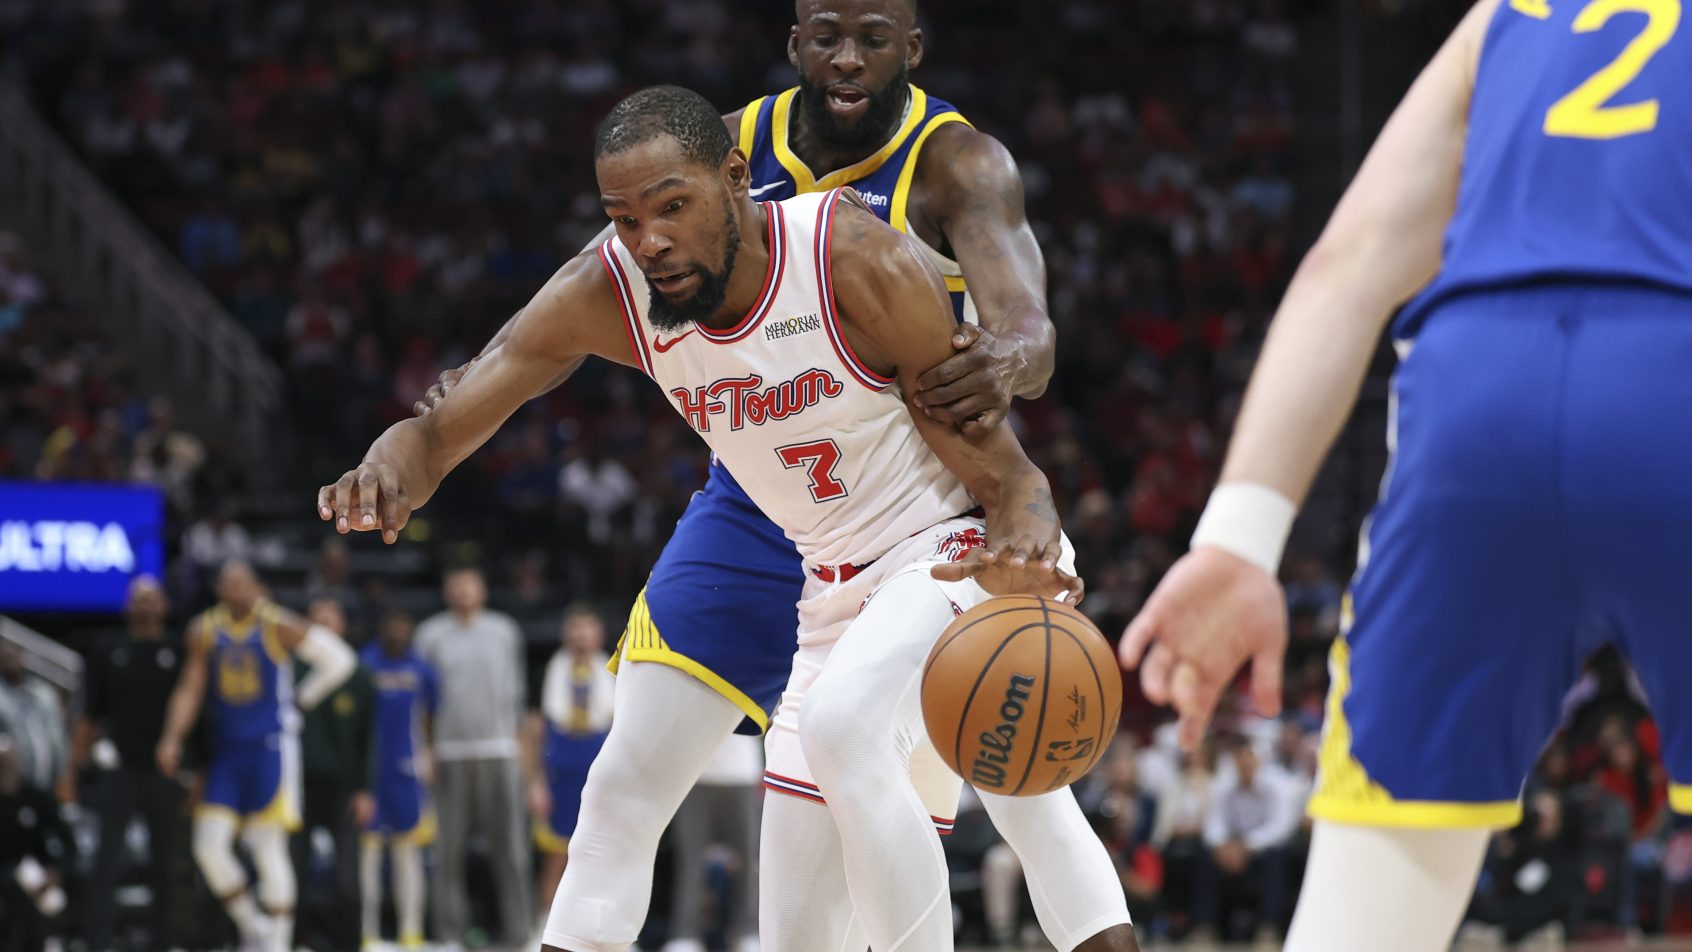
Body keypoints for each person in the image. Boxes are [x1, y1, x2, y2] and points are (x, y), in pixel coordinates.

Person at [318, 84, 1126, 952]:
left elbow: (1008, 476)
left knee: (880, 741)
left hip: (950, 551)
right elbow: (451, 417)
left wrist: (1024, 546)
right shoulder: (613, 288)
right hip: (828, 594)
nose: (650, 241)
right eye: (624, 219)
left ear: (736, 178)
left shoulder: (851, 254)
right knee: (800, 932)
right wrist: (397, 460)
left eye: (673, 208)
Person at [1116, 0, 1692, 948]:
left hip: (1477, 402)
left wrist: (1235, 540)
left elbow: (1349, 264)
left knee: (1363, 919)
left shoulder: (1507, 16)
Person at [155, 561, 358, 952]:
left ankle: (277, 944)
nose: (235, 589)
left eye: (242, 582)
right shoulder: (204, 630)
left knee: (268, 847)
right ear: (218, 589)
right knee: (208, 847)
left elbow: (340, 661)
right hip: (228, 753)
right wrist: (171, 738)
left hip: (271, 749)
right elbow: (189, 689)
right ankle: (253, 928)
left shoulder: (278, 624)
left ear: (258, 587)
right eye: (227, 582)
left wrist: (304, 699)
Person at [412, 566, 535, 950]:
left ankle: (521, 934)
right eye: (457, 585)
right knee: (447, 851)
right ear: (448, 591)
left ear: (482, 590)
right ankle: (450, 935)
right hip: (450, 753)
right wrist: (424, 751)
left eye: (471, 585)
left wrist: (526, 763)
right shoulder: (430, 634)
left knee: (512, 851)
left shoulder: (504, 631)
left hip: (500, 750)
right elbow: (420, 703)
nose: (464, 592)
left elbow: (517, 699)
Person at [74, 575, 187, 952]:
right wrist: (71, 770)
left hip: (164, 772)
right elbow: (89, 716)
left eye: (151, 598)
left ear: (164, 606)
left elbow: (194, 714)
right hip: (119, 769)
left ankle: (164, 941)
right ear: (127, 606)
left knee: (166, 864)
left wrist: (197, 770)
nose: (144, 605)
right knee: (105, 862)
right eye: (137, 599)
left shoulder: (177, 649)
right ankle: (98, 941)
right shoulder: (107, 648)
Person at [291, 599, 374, 952]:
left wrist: (365, 789)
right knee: (294, 871)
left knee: (346, 878)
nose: (324, 620)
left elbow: (369, 737)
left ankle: (348, 944)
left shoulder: (358, 674)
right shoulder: (291, 668)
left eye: (331, 614)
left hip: (342, 787)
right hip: (297, 785)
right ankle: (296, 940)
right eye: (316, 615)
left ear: (343, 625)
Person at [361, 611, 439, 951]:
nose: (396, 633)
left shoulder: (422, 670)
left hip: (408, 771)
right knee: (369, 857)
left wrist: (427, 755)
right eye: (390, 627)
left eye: (402, 628)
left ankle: (411, 933)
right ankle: (368, 933)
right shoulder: (365, 664)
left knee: (408, 854)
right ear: (381, 630)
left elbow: (430, 716)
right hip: (371, 771)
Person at [532, 606, 616, 918]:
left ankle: (600, 925)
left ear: (599, 635)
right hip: (560, 766)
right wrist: (536, 781)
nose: (581, 636)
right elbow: (537, 727)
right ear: (566, 634)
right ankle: (545, 925)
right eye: (575, 628)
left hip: (596, 763)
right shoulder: (550, 671)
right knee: (556, 854)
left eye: (588, 628)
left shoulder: (614, 671)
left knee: (601, 854)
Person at [0, 733, 72, 952]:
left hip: (37, 879)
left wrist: (56, 872)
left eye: (7, 761)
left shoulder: (36, 798)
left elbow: (68, 843)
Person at [0, 640, 65, 794]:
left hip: (48, 780)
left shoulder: (44, 693)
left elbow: (58, 737)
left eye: (13, 655)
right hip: (13, 787)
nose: (10, 661)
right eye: (5, 657)